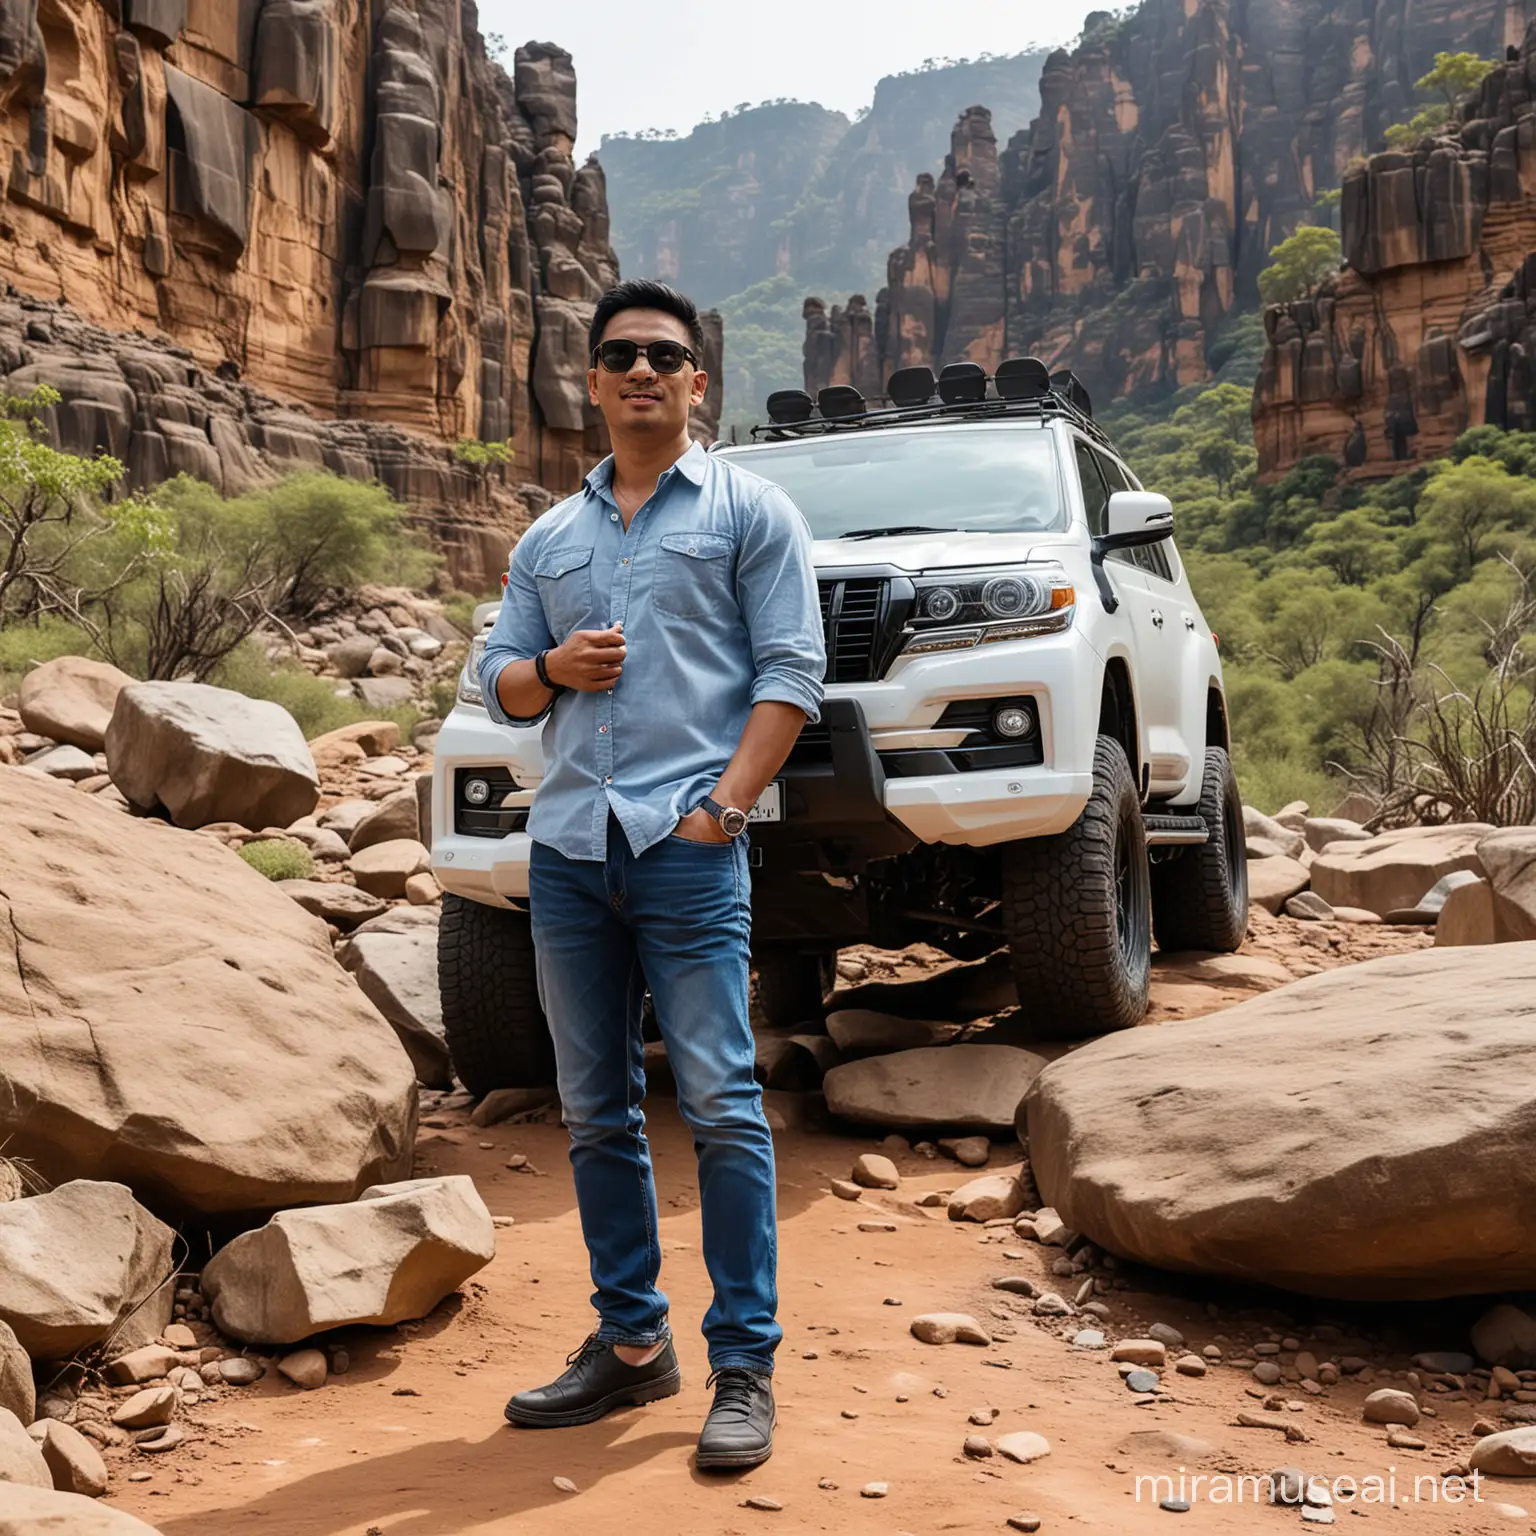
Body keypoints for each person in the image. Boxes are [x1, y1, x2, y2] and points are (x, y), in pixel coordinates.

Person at [478, 279, 825, 1470]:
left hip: (687, 850)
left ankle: (744, 1367)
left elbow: (791, 676)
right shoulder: (548, 539)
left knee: (724, 1105)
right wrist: (555, 669)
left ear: (695, 383)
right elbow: (497, 685)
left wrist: (722, 815)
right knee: (595, 1113)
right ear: (591, 380)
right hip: (572, 852)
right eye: (619, 354)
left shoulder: (748, 511)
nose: (640, 370)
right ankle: (633, 1347)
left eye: (662, 356)